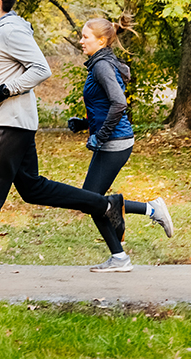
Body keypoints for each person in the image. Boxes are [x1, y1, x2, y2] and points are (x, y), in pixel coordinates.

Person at [0, 0, 126, 285]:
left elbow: (40, 68)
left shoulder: (11, 30)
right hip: (11, 120)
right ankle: (105, 205)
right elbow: (2, 81)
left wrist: (6, 89)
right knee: (33, 188)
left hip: (12, 123)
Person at [66, 16, 173, 272]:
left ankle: (140, 225)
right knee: (92, 199)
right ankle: (127, 245)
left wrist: (99, 136)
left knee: (90, 200)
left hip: (115, 142)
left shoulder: (102, 65)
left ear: (101, 40)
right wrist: (84, 124)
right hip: (113, 139)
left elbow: (119, 103)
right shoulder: (101, 63)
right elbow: (105, 105)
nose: (80, 41)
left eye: (85, 37)